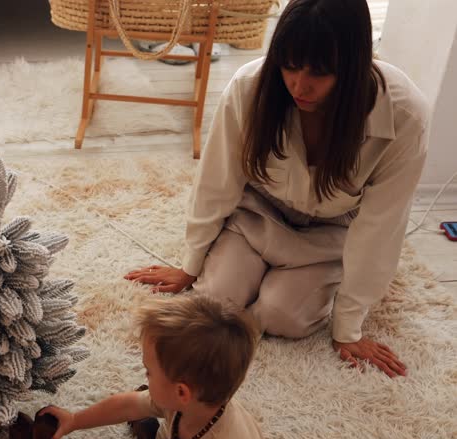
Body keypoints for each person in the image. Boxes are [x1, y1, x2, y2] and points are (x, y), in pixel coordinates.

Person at [125, 0, 428, 378]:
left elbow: (381, 228)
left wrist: (348, 327)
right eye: (289, 64)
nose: (299, 85)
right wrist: (191, 264)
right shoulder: (250, 88)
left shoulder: (404, 117)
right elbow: (216, 182)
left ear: (353, 65)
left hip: (331, 235)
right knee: (214, 302)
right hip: (256, 216)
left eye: (320, 72)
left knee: (283, 316)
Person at [41, 294, 278, 439]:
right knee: (165, 437)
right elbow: (126, 405)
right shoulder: (189, 402)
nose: (145, 376)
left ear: (181, 392)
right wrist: (74, 420)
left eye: (149, 371)